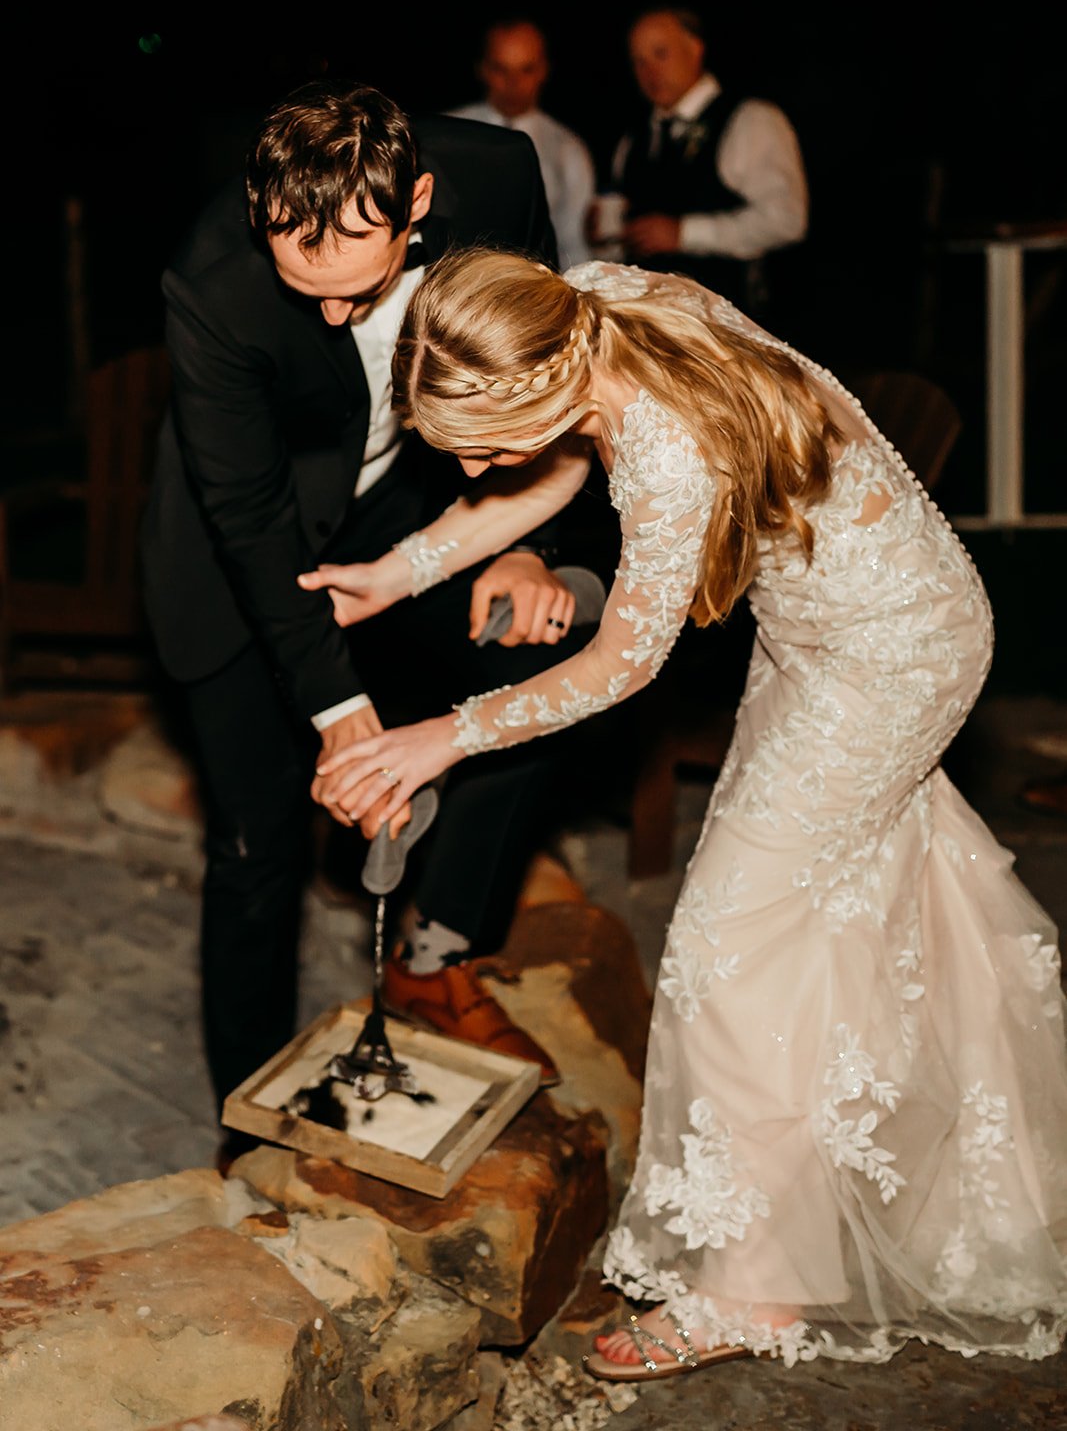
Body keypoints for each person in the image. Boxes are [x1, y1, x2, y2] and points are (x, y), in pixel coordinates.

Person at [308, 250, 1067, 1377]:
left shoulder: (669, 449)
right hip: (829, 631)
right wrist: (403, 567)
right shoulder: (585, 302)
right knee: (833, 914)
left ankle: (749, 1293)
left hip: (886, 657)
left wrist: (440, 736)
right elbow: (553, 462)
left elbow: (619, 663)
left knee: (722, 950)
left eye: (480, 444)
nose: (469, 470)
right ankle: (939, 1182)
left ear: (542, 383)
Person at [139, 79, 593, 1141]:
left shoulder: (498, 174)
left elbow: (534, 359)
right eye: (308, 290)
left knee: (528, 666)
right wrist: (345, 720)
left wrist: (519, 537)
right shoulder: (211, 283)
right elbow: (247, 525)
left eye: (356, 285)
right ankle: (249, 1134)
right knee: (258, 853)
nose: (335, 315)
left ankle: (436, 954)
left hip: (412, 515)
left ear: (418, 198)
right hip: (243, 555)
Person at [597, 6, 808, 320]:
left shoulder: (750, 120)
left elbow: (787, 221)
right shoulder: (634, 138)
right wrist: (606, 235)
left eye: (660, 53)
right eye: (639, 61)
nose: (649, 71)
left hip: (729, 328)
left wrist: (686, 233)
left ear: (695, 49)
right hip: (646, 327)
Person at [450, 18, 596, 270]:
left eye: (526, 69)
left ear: (543, 70)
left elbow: (573, 243)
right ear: (482, 69)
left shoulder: (568, 149)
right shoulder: (449, 134)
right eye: (500, 69)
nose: (513, 82)